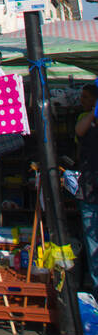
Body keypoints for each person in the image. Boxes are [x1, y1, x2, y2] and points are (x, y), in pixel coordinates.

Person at [75, 82, 98, 292]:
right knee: (93, 246)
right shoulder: (84, 119)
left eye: (85, 97)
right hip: (89, 192)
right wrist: (93, 112)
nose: (81, 100)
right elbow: (80, 131)